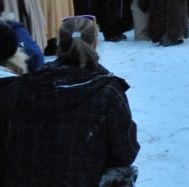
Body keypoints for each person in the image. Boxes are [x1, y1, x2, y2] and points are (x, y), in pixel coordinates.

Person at [0, 15, 139, 186]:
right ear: (95, 44)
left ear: (58, 44)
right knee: (122, 173)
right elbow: (125, 153)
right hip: (80, 179)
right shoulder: (108, 91)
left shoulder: (27, 84)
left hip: (26, 179)